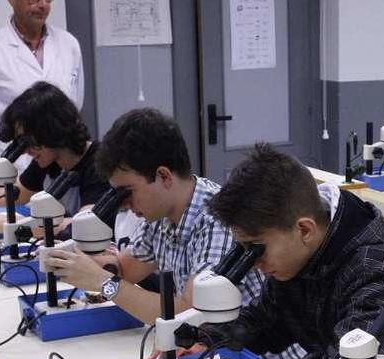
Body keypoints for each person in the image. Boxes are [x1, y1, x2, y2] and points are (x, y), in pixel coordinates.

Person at [195, 143, 384, 359]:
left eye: (256, 250)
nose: (254, 264)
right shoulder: (300, 250)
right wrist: (204, 340)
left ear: (305, 230)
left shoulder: (376, 266)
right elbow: (265, 323)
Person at [43, 108, 263, 325]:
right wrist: (70, 261)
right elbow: (124, 268)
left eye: (127, 191)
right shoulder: (161, 213)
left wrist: (102, 282)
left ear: (164, 176)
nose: (125, 203)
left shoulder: (218, 219)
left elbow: (193, 316)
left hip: (253, 356)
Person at [0, 82, 107, 237]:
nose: (27, 151)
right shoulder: (49, 160)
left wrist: (9, 225)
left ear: (51, 130)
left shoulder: (99, 163)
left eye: (29, 142)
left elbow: (85, 226)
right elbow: (15, 194)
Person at [0, 0, 84, 170]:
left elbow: (74, 105)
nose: (42, 6)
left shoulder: (69, 44)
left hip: (61, 166)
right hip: (15, 166)